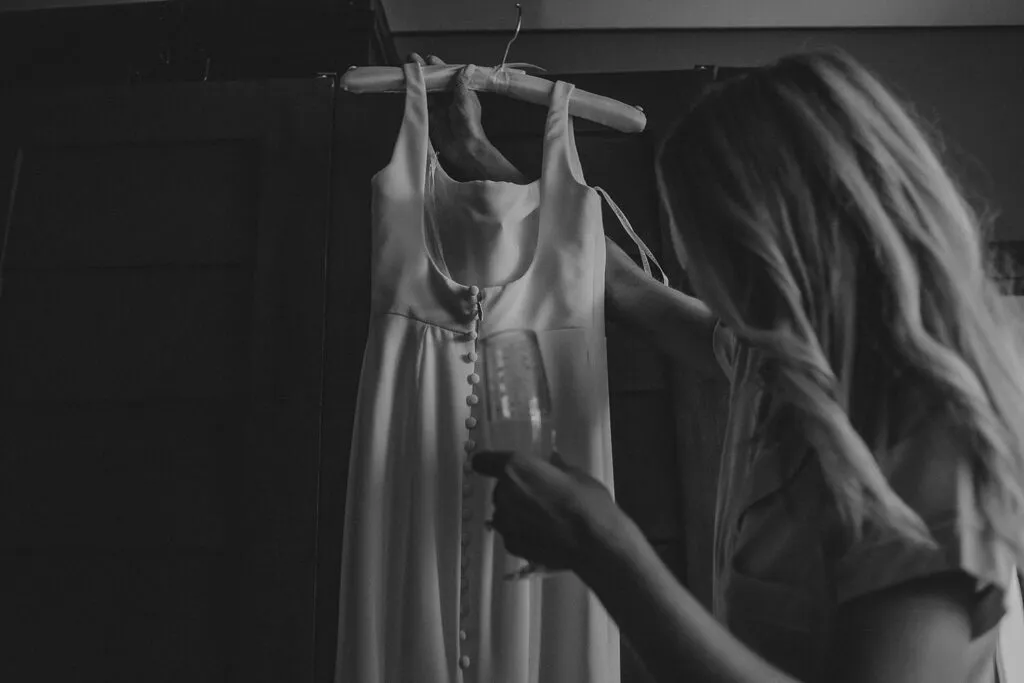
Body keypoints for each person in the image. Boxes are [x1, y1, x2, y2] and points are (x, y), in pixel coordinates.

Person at [410, 51, 1024, 682]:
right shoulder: (775, 361)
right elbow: (621, 287)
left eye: (710, 246)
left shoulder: (933, 448)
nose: (699, 273)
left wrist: (607, 549)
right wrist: (487, 171)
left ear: (781, 246)